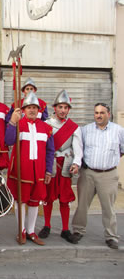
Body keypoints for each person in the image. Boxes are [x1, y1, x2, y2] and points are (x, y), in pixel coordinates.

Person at [71, 103, 124, 249]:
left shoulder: (118, 131)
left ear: (109, 114)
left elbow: (122, 149)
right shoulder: (86, 130)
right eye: (96, 113)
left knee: (108, 208)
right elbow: (79, 149)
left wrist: (109, 161)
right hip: (88, 173)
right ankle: (78, 231)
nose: (98, 115)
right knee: (82, 205)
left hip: (108, 175)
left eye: (102, 113)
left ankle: (111, 236)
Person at [5, 92, 54, 246]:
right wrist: (12, 122)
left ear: (39, 110)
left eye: (34, 107)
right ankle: (22, 230)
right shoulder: (18, 124)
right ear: (24, 109)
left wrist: (48, 170)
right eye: (29, 107)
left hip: (38, 171)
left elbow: (50, 151)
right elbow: (8, 140)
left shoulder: (46, 128)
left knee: (34, 202)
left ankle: (31, 231)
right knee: (21, 201)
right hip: (22, 170)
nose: (32, 110)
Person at [38, 90, 82, 244]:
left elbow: (78, 148)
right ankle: (47, 226)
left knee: (65, 199)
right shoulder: (46, 125)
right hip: (51, 164)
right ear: (54, 108)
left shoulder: (74, 127)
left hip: (66, 165)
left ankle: (65, 229)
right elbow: (42, 147)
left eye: (66, 107)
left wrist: (76, 163)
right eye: (60, 107)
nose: (63, 110)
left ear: (69, 109)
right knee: (48, 198)